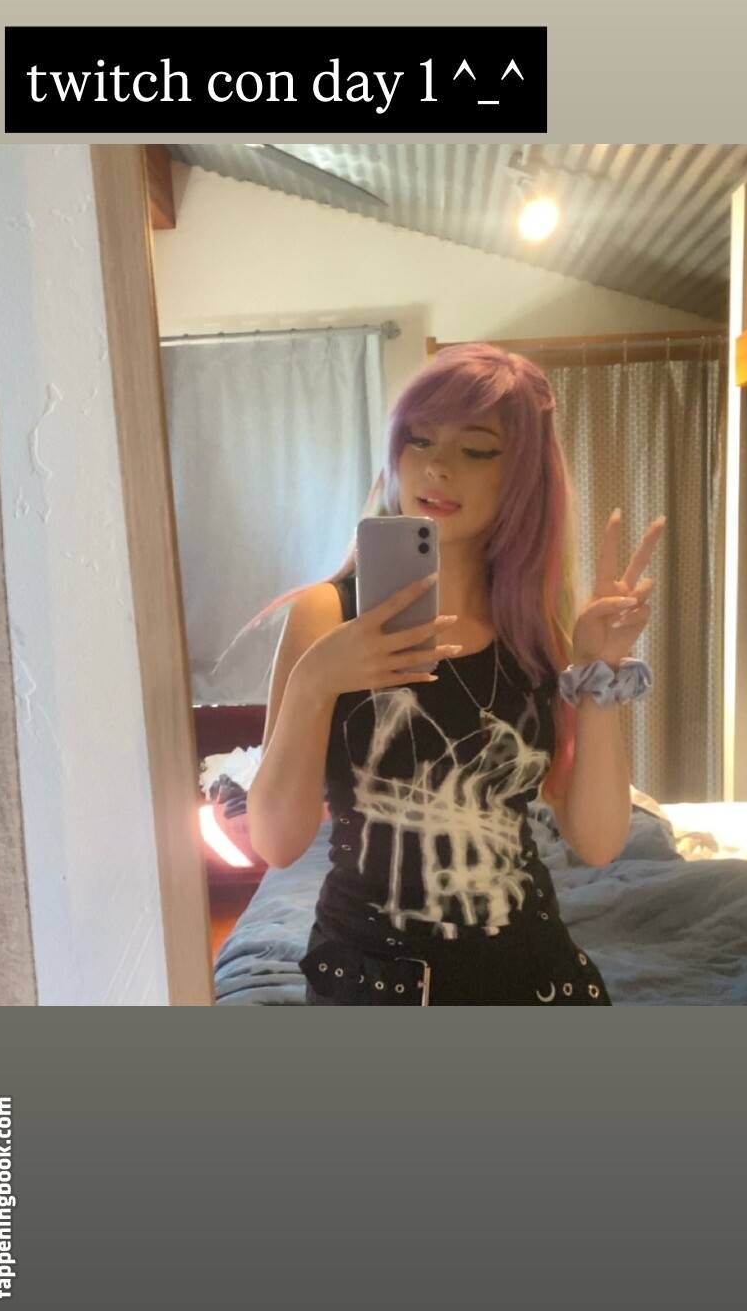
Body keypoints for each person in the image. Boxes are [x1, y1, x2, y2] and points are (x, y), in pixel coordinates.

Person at [246, 343, 664, 1005]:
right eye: (419, 439)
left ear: (523, 476)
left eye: (477, 449)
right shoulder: (325, 617)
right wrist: (314, 682)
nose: (437, 465)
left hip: (532, 977)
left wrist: (598, 674)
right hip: (371, 980)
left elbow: (599, 841)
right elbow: (276, 843)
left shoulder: (535, 635)